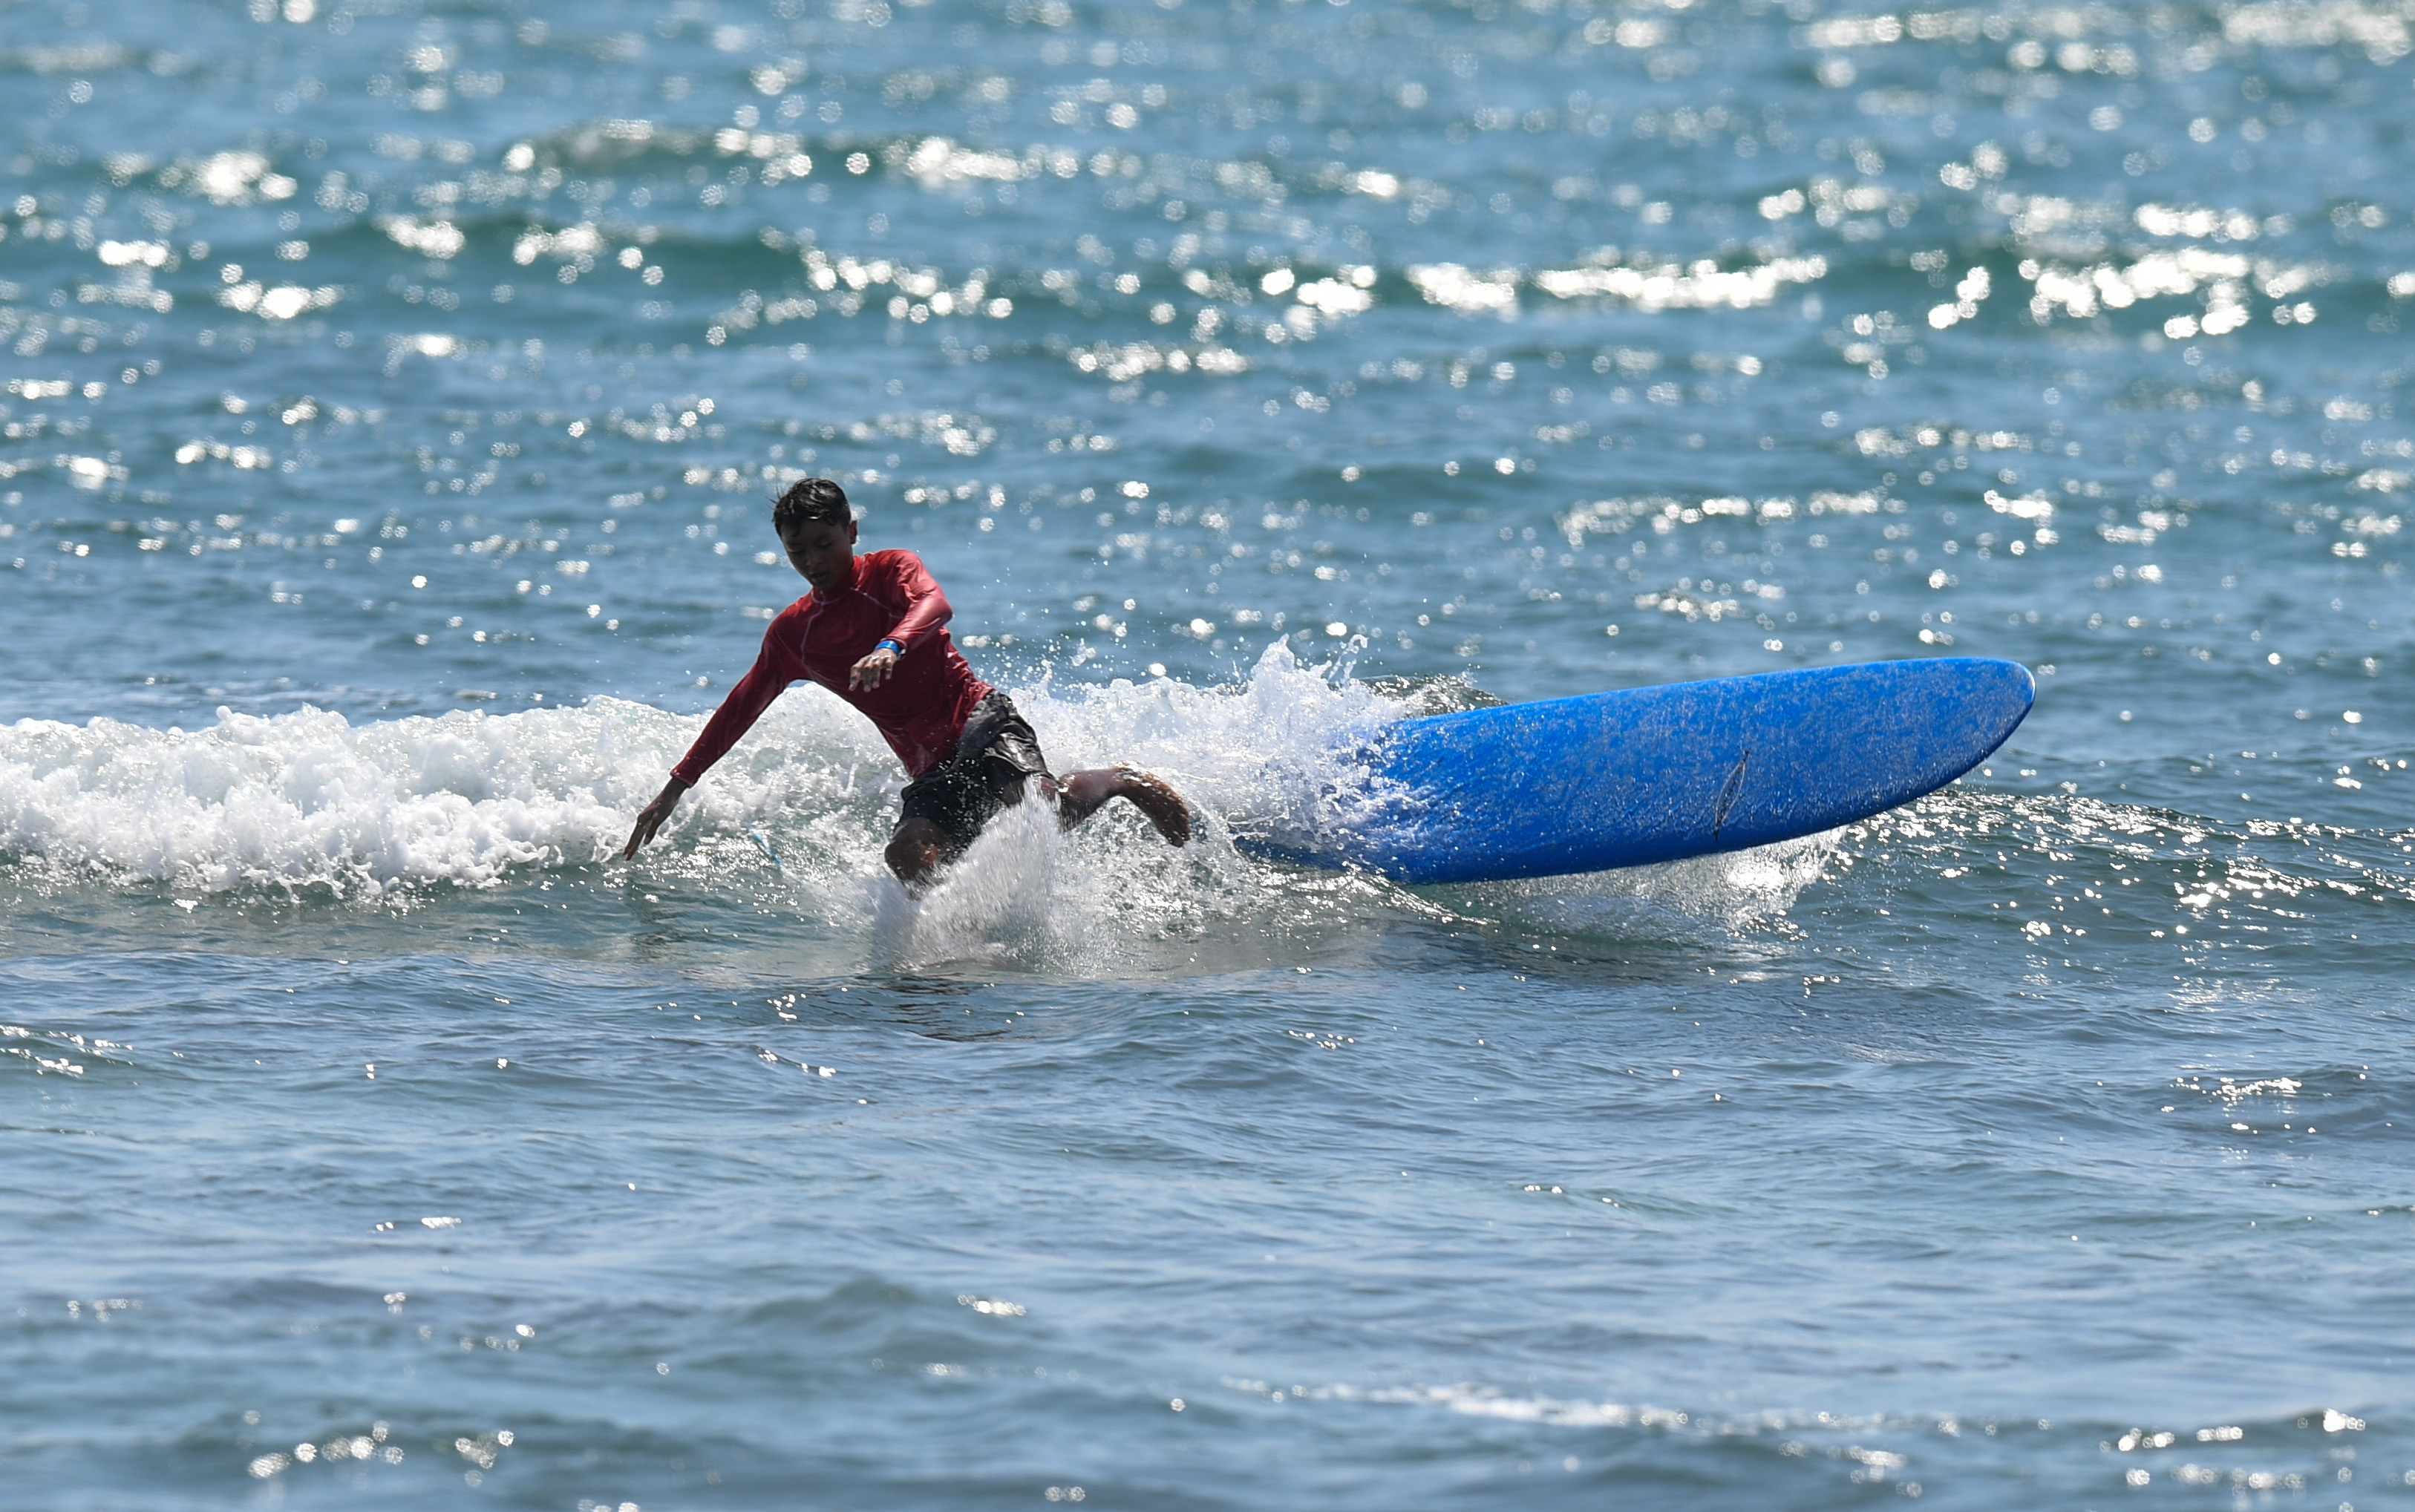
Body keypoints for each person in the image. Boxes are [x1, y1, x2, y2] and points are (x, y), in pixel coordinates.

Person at [621, 478, 1191, 886]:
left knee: (1043, 812)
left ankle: (1120, 779)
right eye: (799, 551)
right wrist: (676, 785)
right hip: (930, 763)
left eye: (825, 544)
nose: (815, 561)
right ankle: (958, 945)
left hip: (979, 719)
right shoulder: (794, 633)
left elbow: (935, 603)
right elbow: (739, 708)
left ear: (852, 530)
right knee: (909, 858)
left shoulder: (891, 570)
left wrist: (891, 643)